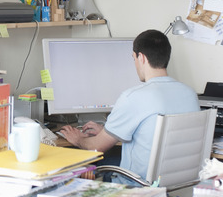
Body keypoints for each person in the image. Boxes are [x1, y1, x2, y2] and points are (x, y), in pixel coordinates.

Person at [59, 29, 199, 183]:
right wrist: (109, 131)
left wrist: (77, 139)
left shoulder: (133, 97)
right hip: (177, 186)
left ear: (141, 57)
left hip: (138, 187)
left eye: (133, 58)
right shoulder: (189, 94)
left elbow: (95, 148)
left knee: (88, 163)